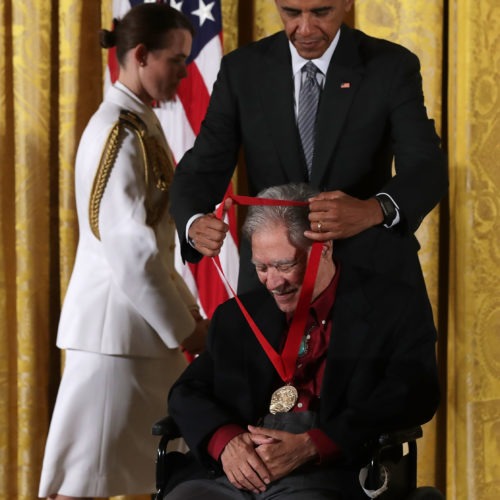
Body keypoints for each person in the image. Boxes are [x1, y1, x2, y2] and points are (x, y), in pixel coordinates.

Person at [164, 183, 440, 499]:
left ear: (325, 247)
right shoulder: (236, 316)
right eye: (261, 267)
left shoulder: (393, 307)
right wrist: (225, 441)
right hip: (232, 473)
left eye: (285, 265)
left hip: (329, 470)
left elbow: (415, 394)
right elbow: (186, 392)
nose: (273, 282)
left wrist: (314, 444)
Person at [38, 4, 208, 499]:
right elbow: (131, 255)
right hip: (115, 337)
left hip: (135, 335)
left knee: (158, 469)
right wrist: (186, 328)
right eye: (175, 59)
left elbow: (153, 244)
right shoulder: (118, 130)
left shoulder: (136, 121)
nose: (183, 70)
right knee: (78, 484)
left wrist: (186, 309)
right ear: (139, 55)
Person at [169, 0, 448, 293]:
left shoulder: (390, 66)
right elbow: (203, 166)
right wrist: (194, 222)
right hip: (273, 283)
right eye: (291, 13)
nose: (305, 29)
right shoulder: (242, 69)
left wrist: (373, 210)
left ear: (347, 3)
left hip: (370, 279)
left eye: (320, 12)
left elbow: (426, 165)